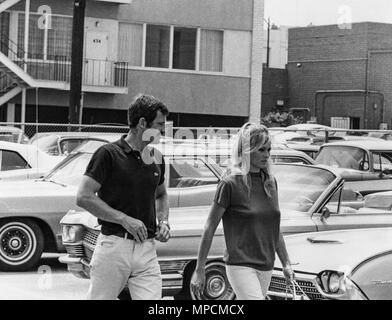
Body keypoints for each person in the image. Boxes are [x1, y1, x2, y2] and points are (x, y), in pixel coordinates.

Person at [76, 94, 170, 300]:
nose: (163, 130)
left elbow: (161, 194)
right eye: (160, 124)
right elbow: (83, 196)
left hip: (147, 248)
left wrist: (163, 221)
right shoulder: (107, 154)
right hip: (113, 247)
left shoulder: (156, 158)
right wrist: (124, 219)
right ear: (142, 123)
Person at [190, 122, 295, 300]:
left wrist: (286, 263)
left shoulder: (270, 183)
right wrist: (199, 269)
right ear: (247, 150)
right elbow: (209, 227)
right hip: (240, 265)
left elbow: (274, 227)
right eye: (261, 150)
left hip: (266, 265)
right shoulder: (230, 183)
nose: (267, 155)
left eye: (269, 150)